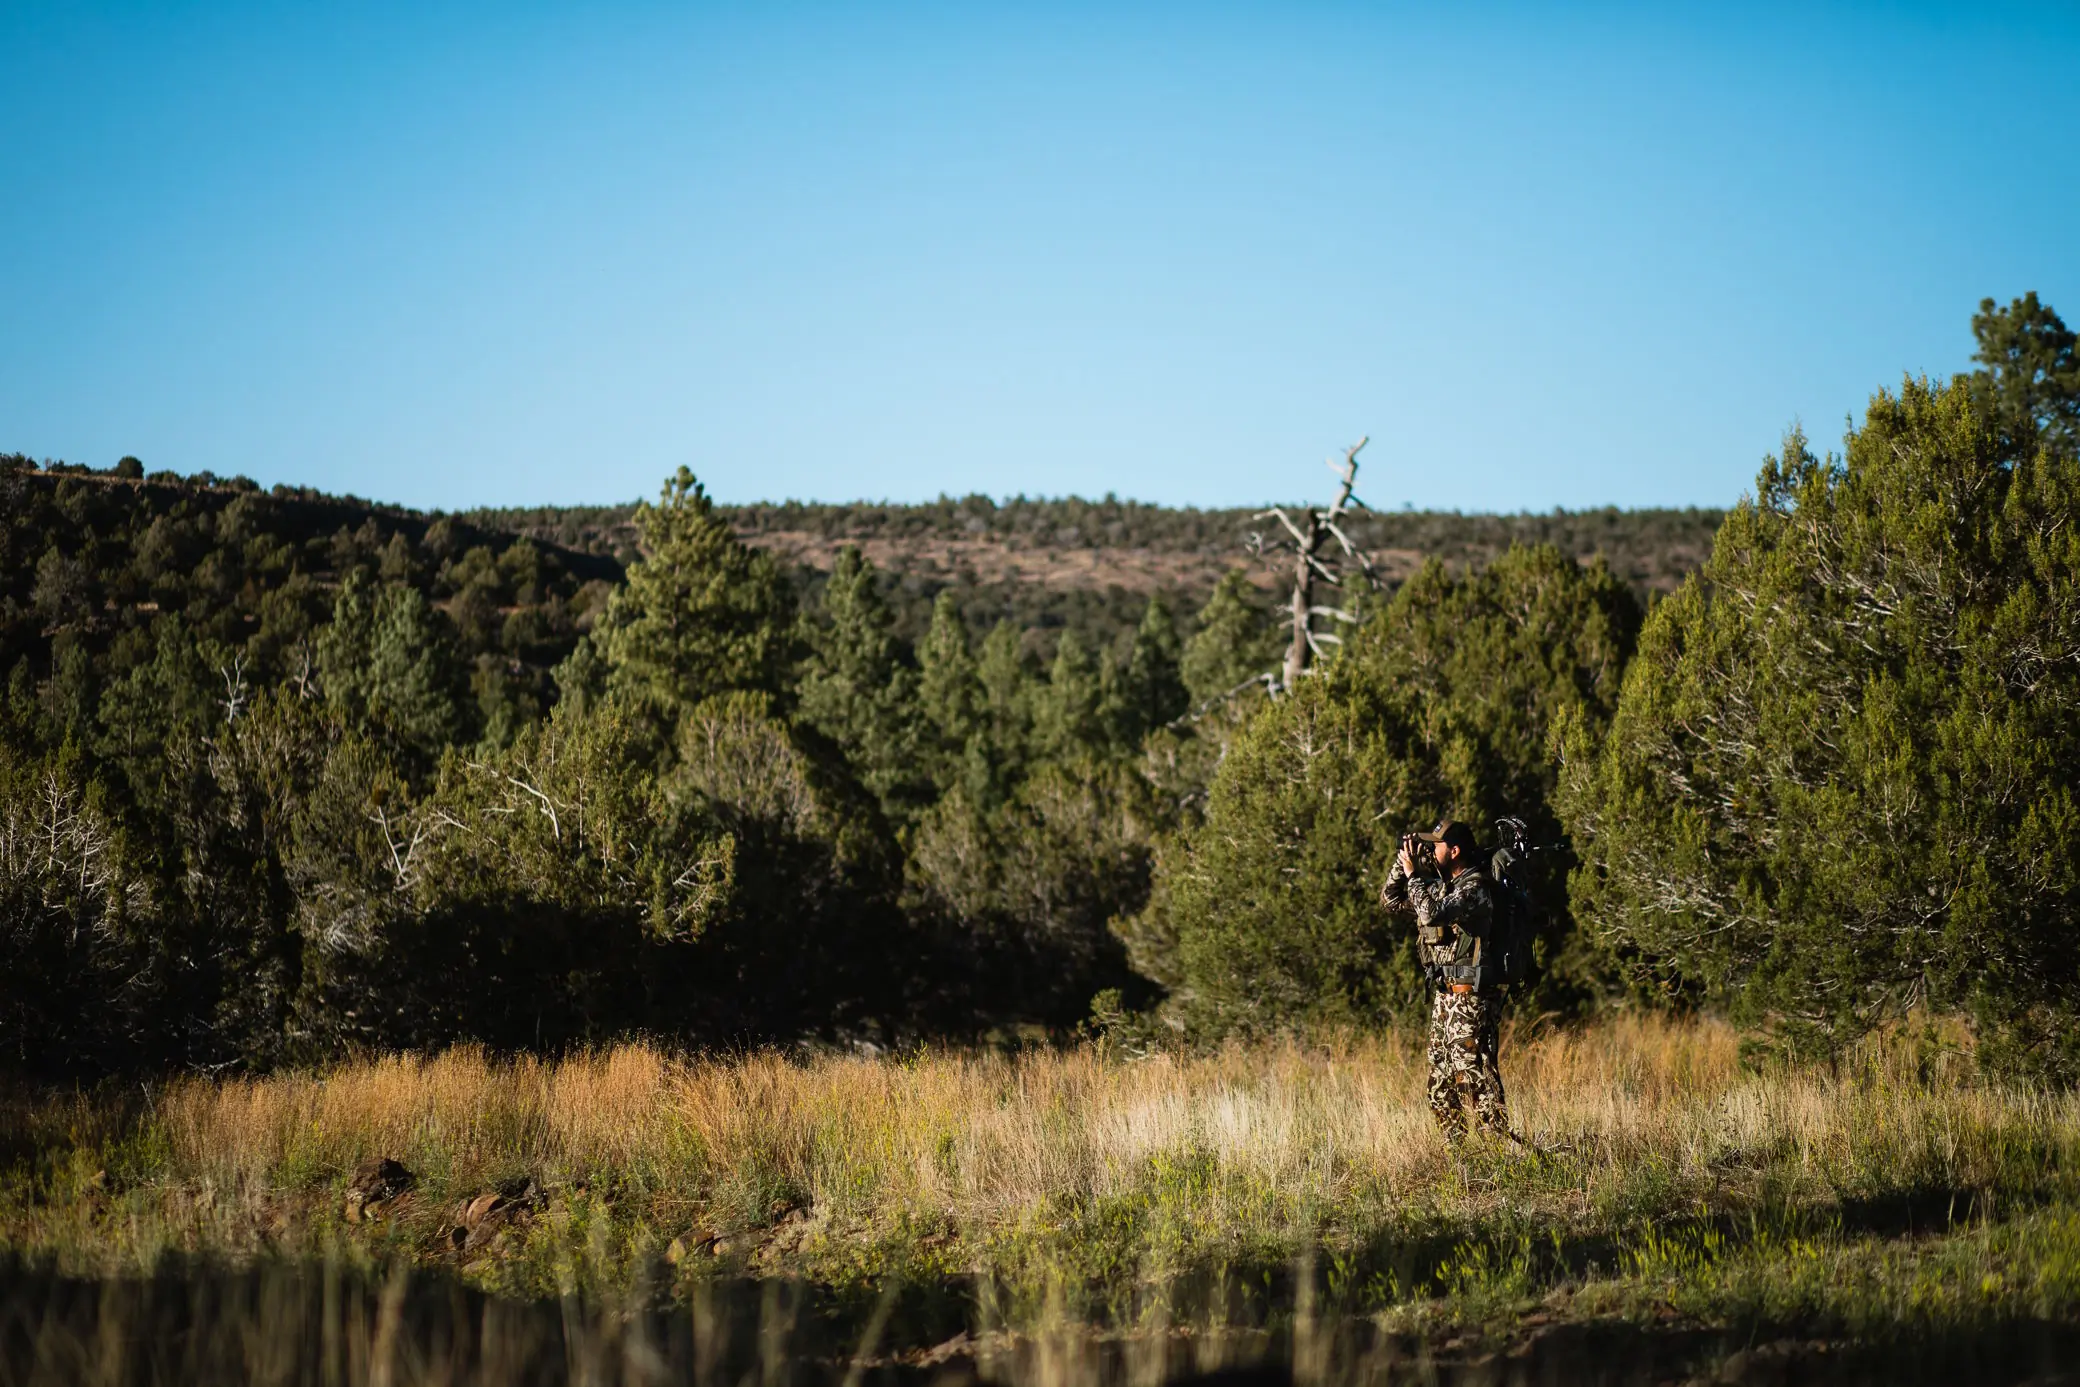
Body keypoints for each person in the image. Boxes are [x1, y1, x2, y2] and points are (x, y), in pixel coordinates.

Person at [1379, 818, 1509, 1142]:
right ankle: (1459, 1156)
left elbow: (1432, 914)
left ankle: (1498, 1152)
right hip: (1445, 999)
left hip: (1472, 999)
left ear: (1454, 851)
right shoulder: (1439, 888)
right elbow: (1390, 900)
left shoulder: (1474, 888)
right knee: (1439, 1085)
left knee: (1475, 1078)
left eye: (1436, 844)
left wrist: (1412, 875)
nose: (1430, 850)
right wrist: (1401, 860)